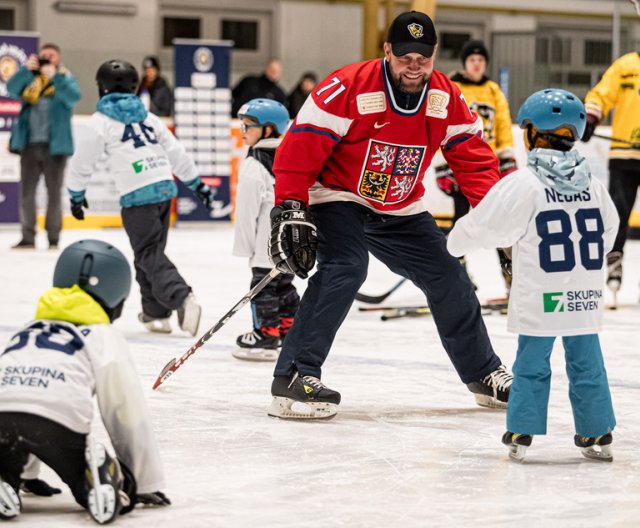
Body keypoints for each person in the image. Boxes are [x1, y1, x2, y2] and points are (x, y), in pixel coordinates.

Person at [266, 11, 513, 420]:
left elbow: (475, 162)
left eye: (422, 57)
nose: (413, 66)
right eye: (404, 56)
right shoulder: (347, 86)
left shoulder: (446, 98)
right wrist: (291, 205)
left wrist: (498, 219)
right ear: (387, 51)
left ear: (433, 54)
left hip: (401, 206)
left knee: (450, 276)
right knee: (346, 265)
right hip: (338, 194)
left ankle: (483, 373)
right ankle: (293, 376)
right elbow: (300, 146)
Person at [447, 88, 618, 462]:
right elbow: (609, 232)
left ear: (531, 133)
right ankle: (598, 432)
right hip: (584, 297)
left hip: (542, 294)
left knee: (531, 364)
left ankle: (522, 429)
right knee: (588, 363)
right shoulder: (594, 186)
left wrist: (453, 244)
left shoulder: (525, 184)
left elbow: (486, 226)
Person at [0, 239, 170, 522]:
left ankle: (7, 477)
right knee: (83, 480)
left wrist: (26, 475)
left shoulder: (27, 330)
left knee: (7, 450)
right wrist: (142, 481)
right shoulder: (102, 335)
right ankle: (101, 479)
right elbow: (125, 410)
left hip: (2, 413)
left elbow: (19, 392)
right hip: (58, 422)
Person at [66, 60, 214, 336]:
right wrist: (197, 184)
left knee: (147, 253)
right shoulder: (148, 116)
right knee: (149, 253)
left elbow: (81, 162)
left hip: (137, 194)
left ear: (102, 87)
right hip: (163, 188)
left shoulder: (101, 121)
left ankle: (181, 296)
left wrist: (76, 194)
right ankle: (156, 313)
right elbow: (176, 151)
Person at [435, 39, 517, 292]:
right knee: (461, 222)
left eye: (481, 60)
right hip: (460, 165)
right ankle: (457, 275)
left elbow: (503, 124)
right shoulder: (453, 87)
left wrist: (507, 158)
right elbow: (441, 125)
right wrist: (442, 164)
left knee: (498, 222)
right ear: (465, 63)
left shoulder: (493, 90)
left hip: (488, 168)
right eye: (472, 60)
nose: (477, 64)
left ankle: (511, 275)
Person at [232, 98, 298, 361]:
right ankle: (289, 329)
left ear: (268, 130)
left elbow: (246, 214)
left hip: (265, 245)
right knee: (284, 285)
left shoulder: (253, 165)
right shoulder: (293, 154)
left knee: (263, 287)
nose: (243, 131)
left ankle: (266, 334)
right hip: (292, 243)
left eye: (249, 126)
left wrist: (245, 248)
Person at [7, 43, 81, 250]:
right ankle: (28, 236)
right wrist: (25, 70)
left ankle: (54, 237)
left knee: (54, 193)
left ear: (59, 59)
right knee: (27, 193)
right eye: (44, 56)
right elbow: (11, 89)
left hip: (55, 147)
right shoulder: (30, 79)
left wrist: (55, 76)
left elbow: (73, 97)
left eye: (51, 56)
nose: (47, 58)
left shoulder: (65, 78)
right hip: (30, 144)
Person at [582, 51, 640, 300]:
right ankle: (614, 266)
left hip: (624, 153)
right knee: (618, 214)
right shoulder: (626, 65)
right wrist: (591, 117)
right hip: (624, 154)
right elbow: (602, 93)